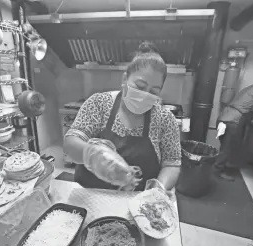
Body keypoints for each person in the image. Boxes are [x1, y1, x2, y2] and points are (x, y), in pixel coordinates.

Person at [64, 41, 181, 194]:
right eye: (140, 86)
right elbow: (70, 143)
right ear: (125, 79)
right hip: (90, 196)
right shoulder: (99, 103)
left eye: (154, 91)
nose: (146, 94)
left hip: (137, 201)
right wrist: (93, 156)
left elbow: (171, 164)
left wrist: (157, 190)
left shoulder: (165, 119)